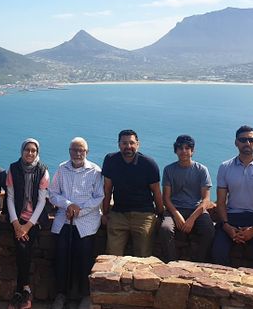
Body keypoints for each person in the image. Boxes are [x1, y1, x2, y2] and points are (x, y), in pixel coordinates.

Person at [212, 125, 253, 270]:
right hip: (232, 217)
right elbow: (221, 202)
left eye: (251, 139)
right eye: (243, 140)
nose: (247, 143)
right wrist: (226, 226)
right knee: (217, 254)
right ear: (236, 142)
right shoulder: (225, 167)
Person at [49, 137, 104, 309]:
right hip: (64, 219)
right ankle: (61, 294)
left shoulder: (95, 171)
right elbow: (52, 193)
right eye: (74, 150)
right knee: (61, 257)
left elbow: (99, 197)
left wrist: (79, 209)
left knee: (84, 259)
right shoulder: (61, 168)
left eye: (81, 150)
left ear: (87, 152)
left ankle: (85, 296)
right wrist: (68, 205)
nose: (78, 153)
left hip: (86, 222)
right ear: (69, 151)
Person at [101, 129, 163, 257]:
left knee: (142, 256)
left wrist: (160, 214)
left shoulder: (148, 164)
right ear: (119, 145)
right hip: (118, 213)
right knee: (112, 256)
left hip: (144, 214)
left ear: (137, 144)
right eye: (124, 143)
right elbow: (107, 189)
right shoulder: (111, 160)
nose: (128, 146)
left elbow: (156, 191)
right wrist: (105, 213)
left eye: (131, 143)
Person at [6, 138, 50, 309]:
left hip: (34, 221)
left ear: (37, 152)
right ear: (22, 151)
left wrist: (27, 226)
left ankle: (20, 291)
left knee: (25, 253)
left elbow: (41, 202)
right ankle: (25, 290)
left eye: (33, 150)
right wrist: (16, 224)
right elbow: (9, 197)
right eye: (27, 150)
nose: (30, 153)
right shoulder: (13, 168)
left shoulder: (43, 171)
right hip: (18, 219)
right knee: (22, 252)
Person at [159, 134, 215, 263]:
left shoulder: (201, 170)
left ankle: (199, 263)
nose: (184, 151)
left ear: (192, 151)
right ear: (176, 150)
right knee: (165, 229)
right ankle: (171, 262)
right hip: (174, 209)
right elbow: (166, 198)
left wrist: (192, 219)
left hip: (196, 209)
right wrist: (177, 215)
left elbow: (206, 200)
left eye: (187, 148)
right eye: (180, 148)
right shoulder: (169, 170)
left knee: (209, 230)